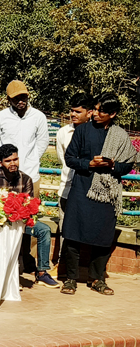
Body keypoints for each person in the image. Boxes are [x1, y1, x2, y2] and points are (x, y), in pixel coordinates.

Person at [61, 94, 137, 296]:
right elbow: (70, 158)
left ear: (112, 114)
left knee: (103, 236)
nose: (94, 113)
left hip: (107, 193)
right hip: (82, 187)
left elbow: (127, 164)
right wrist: (89, 164)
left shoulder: (120, 135)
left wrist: (113, 165)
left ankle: (97, 279)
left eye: (100, 111)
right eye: (94, 109)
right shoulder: (83, 130)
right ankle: (70, 279)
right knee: (73, 234)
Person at [0, 143, 58, 289]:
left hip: (21, 221)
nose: (13, 163)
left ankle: (42, 273)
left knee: (44, 230)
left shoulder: (26, 179)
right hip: (0, 221)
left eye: (15, 159)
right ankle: (7, 277)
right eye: (8, 161)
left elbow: (29, 206)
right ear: (1, 163)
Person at [0, 80, 48, 196]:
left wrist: (32, 159)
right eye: (16, 98)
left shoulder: (38, 117)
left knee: (30, 205)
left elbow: (42, 142)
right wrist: (7, 163)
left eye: (23, 97)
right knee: (1, 205)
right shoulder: (0, 117)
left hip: (30, 172)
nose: (20, 101)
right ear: (8, 99)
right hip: (5, 176)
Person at [55, 93, 95, 266]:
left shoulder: (97, 133)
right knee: (65, 227)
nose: (73, 114)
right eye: (72, 111)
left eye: (78, 111)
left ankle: (89, 269)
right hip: (67, 187)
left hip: (89, 188)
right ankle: (62, 264)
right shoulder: (63, 133)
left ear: (90, 112)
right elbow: (63, 159)